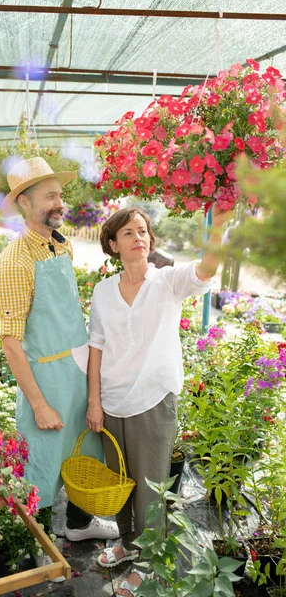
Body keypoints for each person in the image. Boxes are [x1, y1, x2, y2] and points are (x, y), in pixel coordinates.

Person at [86, 206, 229, 596]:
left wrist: (217, 229)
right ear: (113, 244)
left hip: (153, 400)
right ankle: (127, 542)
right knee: (121, 482)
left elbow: (205, 271)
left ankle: (148, 562)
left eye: (144, 230)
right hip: (112, 400)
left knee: (151, 489)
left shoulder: (166, 282)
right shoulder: (103, 291)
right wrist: (94, 401)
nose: (139, 237)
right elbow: (96, 346)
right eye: (129, 233)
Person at [0, 157, 119, 577]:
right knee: (42, 465)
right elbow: (10, 343)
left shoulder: (59, 242)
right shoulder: (14, 261)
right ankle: (38, 541)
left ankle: (79, 525)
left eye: (59, 194)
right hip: (45, 377)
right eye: (49, 196)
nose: (58, 202)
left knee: (85, 448)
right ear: (24, 203)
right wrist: (39, 404)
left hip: (76, 369)